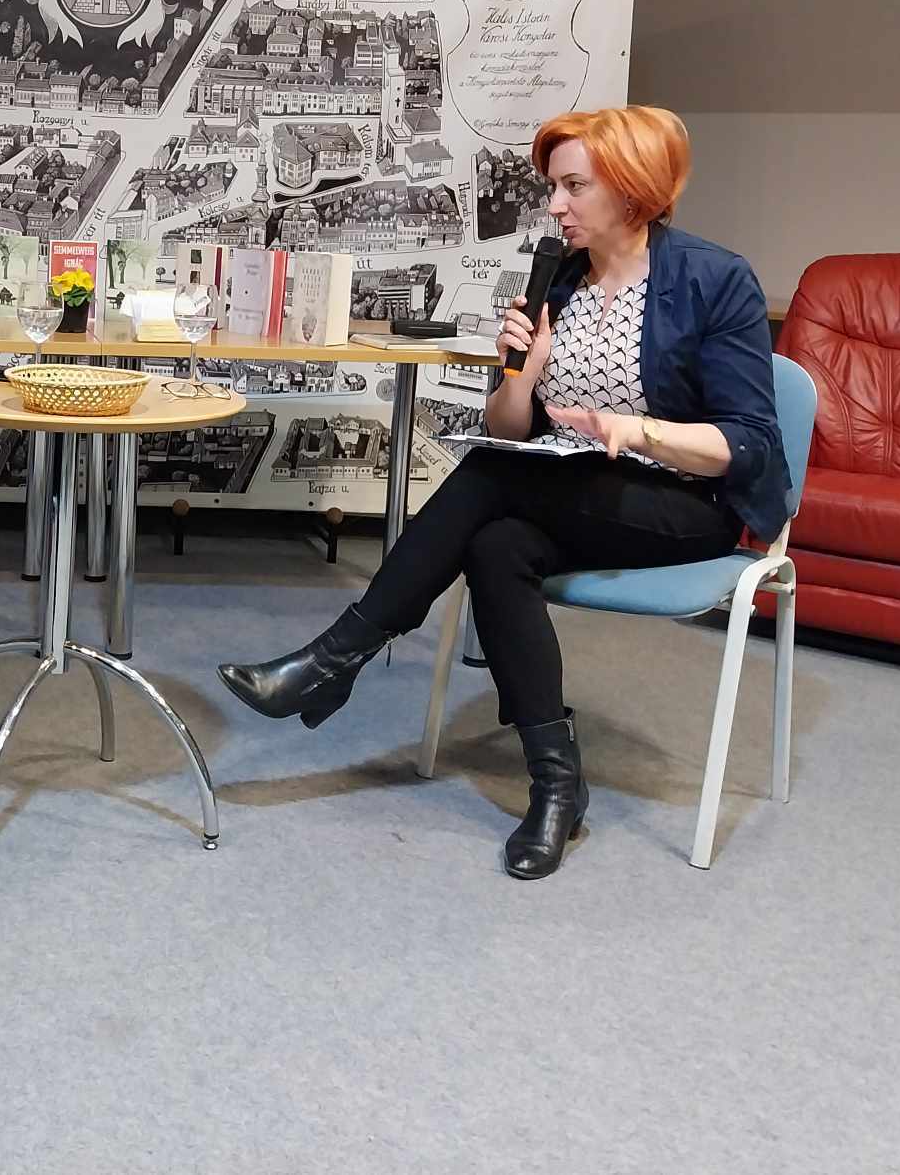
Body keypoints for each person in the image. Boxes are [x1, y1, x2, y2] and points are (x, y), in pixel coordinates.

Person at [218, 106, 784, 880]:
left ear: (632, 187)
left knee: (490, 477)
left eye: (574, 187)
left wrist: (638, 432)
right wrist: (522, 369)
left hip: (685, 507)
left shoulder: (711, 280)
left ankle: (334, 659)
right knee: (495, 543)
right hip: (572, 494)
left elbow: (748, 444)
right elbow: (511, 427)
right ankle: (556, 784)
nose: (555, 206)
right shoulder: (562, 281)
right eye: (554, 187)